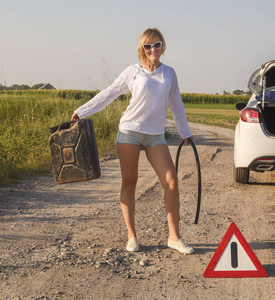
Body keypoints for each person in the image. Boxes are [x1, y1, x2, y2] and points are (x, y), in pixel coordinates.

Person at [71, 28, 194, 254]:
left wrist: (185, 132)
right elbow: (109, 94)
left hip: (155, 135)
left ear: (162, 46)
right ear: (142, 49)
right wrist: (82, 111)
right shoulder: (133, 71)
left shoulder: (169, 73)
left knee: (172, 182)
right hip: (129, 132)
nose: (153, 49)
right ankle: (132, 236)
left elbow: (176, 105)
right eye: (148, 46)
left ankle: (174, 238)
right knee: (130, 182)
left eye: (157, 45)